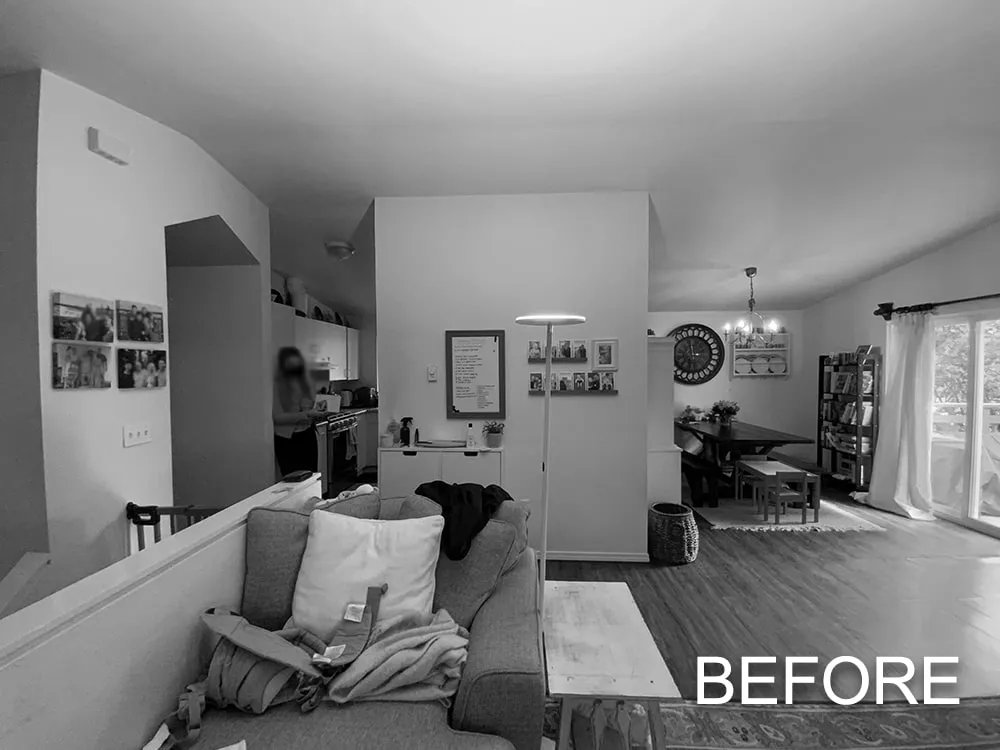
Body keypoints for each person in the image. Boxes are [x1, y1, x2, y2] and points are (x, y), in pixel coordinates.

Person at [273, 347, 321, 476]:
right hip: (287, 440)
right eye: (290, 365)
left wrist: (318, 412)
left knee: (311, 477)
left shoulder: (307, 383)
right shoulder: (277, 386)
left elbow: (313, 405)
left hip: (308, 435)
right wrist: (305, 414)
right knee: (292, 479)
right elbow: (277, 417)